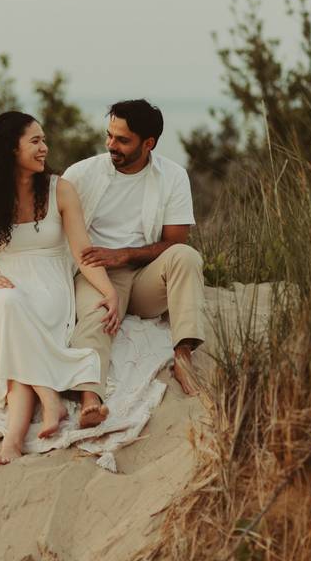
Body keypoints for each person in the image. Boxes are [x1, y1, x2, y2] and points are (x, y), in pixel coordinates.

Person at [0, 111, 121, 465]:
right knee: (6, 304)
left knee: (13, 329)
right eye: (35, 141)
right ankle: (39, 411)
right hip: (6, 287)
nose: (44, 148)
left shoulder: (60, 189)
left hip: (50, 290)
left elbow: (82, 254)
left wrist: (108, 291)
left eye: (44, 140)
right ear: (9, 149)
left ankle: (16, 436)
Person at [62, 99, 207, 428]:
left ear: (148, 143)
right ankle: (90, 397)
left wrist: (124, 255)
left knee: (187, 257)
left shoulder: (172, 177)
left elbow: (174, 242)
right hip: (95, 272)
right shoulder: (81, 174)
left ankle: (183, 356)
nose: (111, 145)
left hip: (143, 276)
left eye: (122, 140)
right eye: (109, 135)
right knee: (98, 315)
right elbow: (50, 227)